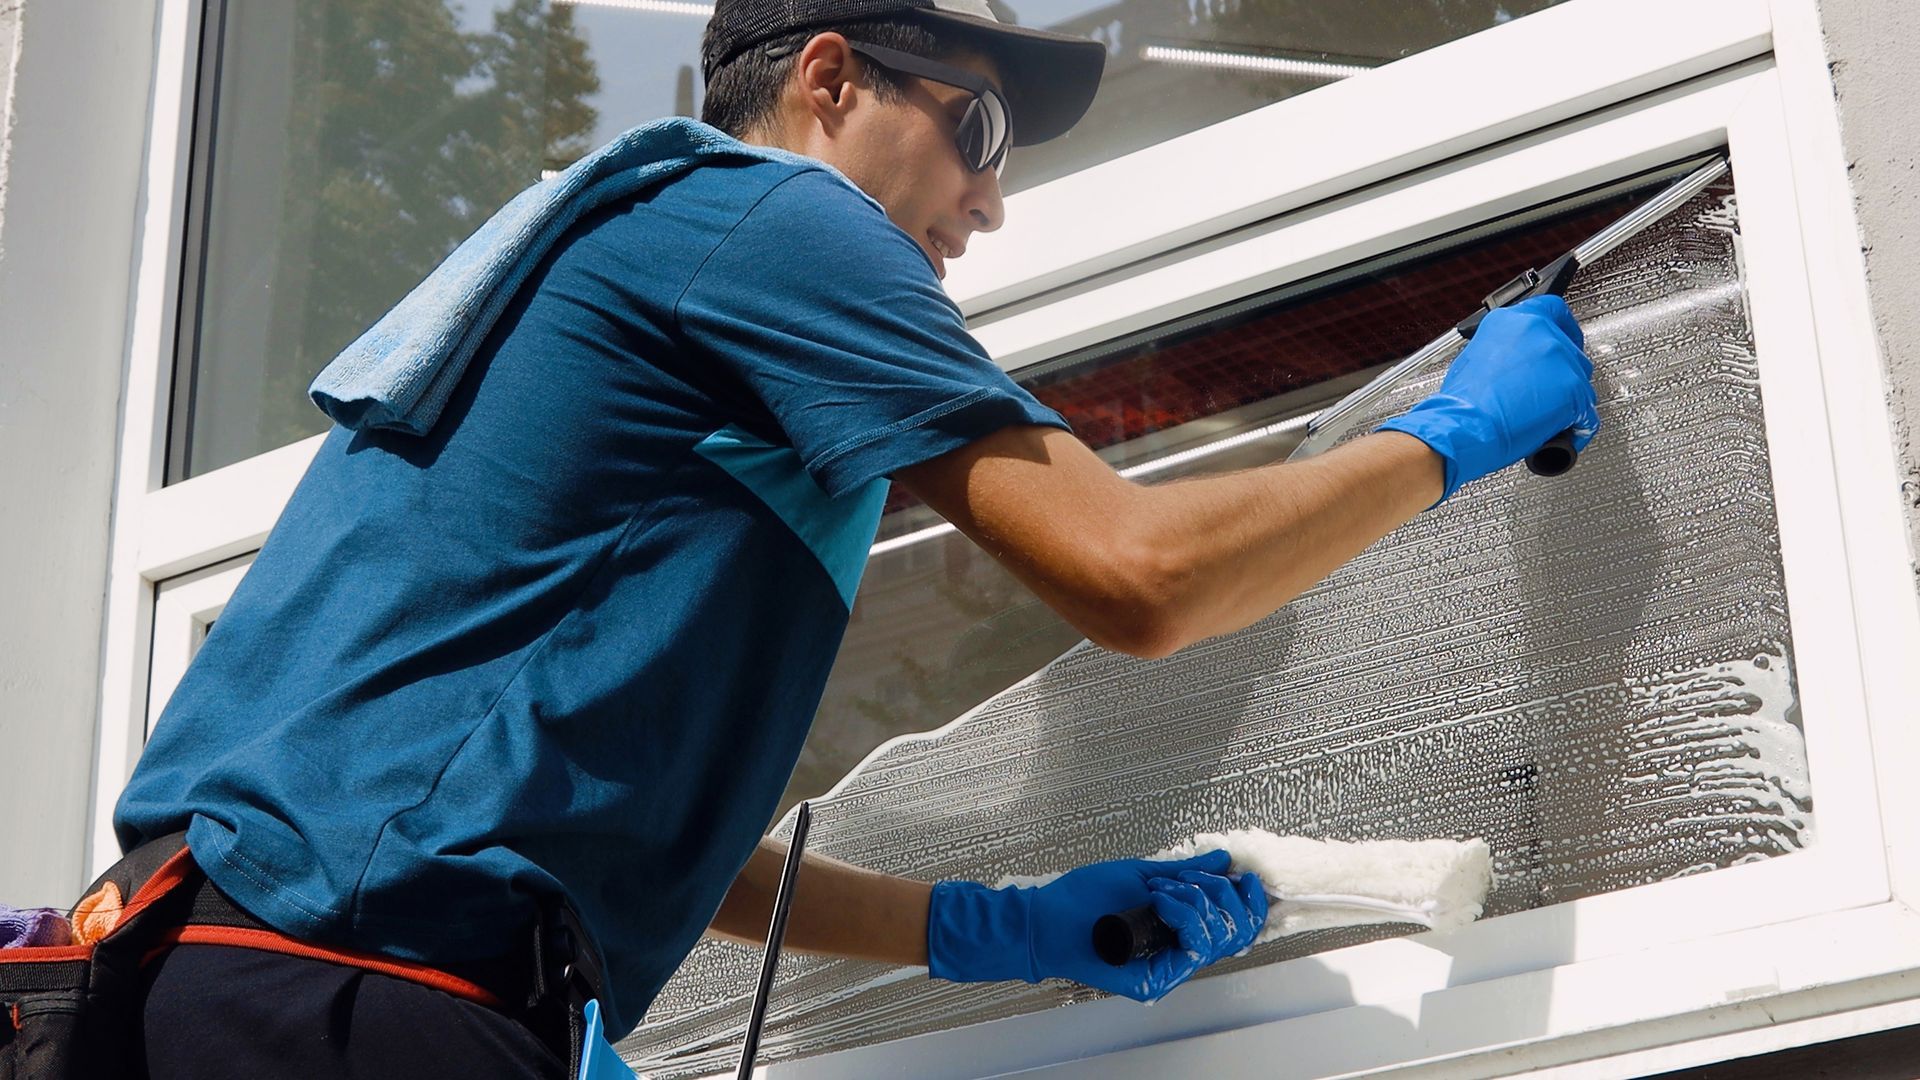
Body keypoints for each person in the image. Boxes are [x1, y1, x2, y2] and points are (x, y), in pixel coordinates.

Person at [110, 0, 1600, 1074]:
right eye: (981, 127)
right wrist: (1451, 431)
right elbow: (1145, 579)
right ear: (827, 78)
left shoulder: (654, 296)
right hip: (336, 1002)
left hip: (215, 986)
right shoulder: (770, 222)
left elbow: (630, 839)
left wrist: (996, 933)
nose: (993, 203)